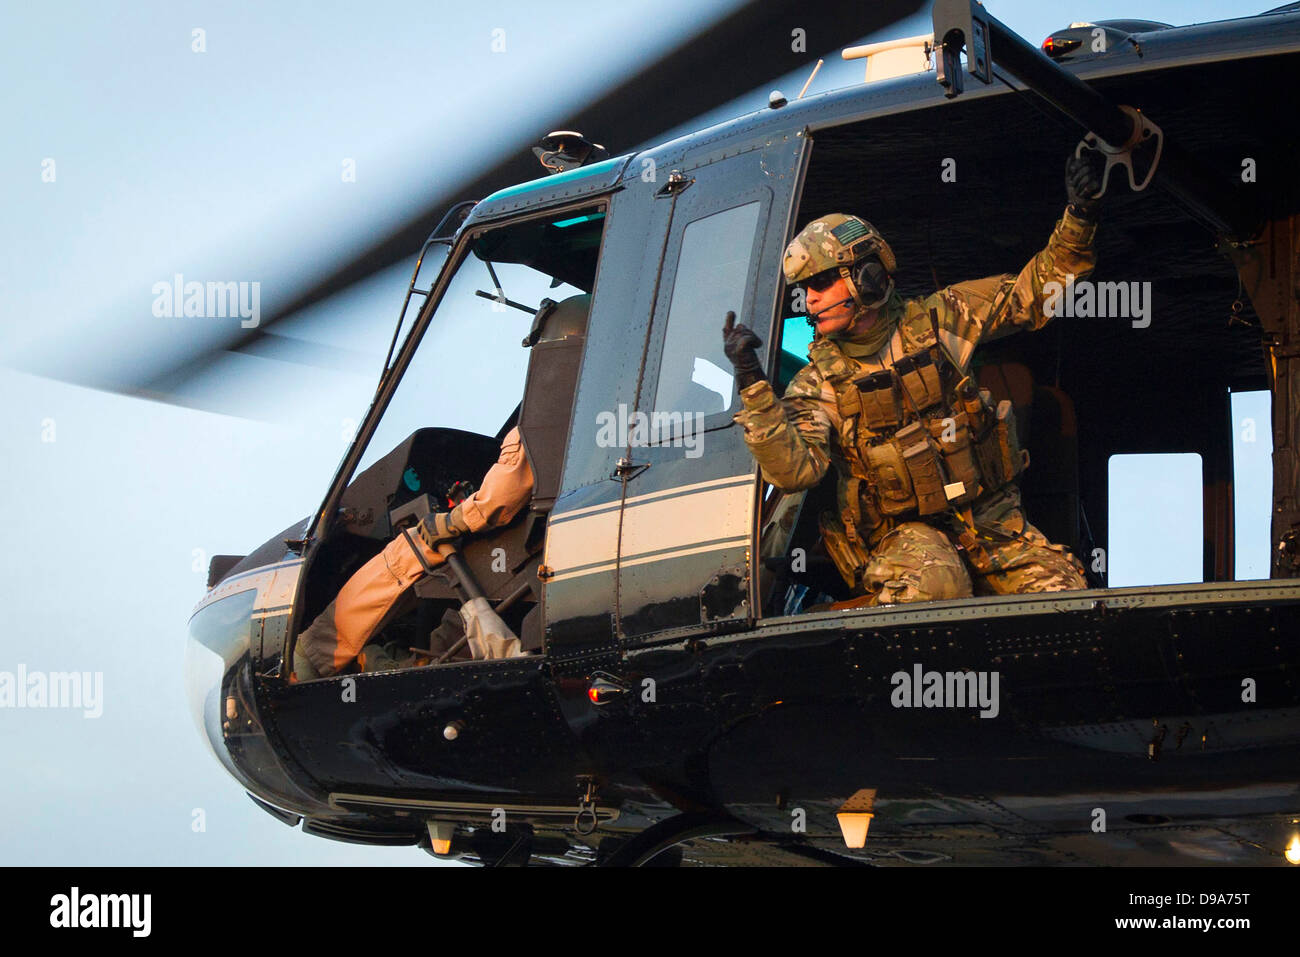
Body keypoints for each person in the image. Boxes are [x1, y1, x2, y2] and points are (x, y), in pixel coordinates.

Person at [723, 153, 1104, 605]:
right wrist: (752, 384)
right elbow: (794, 471)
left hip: (991, 521)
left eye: (821, 283)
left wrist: (1080, 217)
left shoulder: (943, 319)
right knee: (936, 586)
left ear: (866, 277)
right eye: (805, 289)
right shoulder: (818, 383)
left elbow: (1033, 294)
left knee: (1066, 598)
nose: (809, 299)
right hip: (903, 538)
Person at [292, 293, 589, 679]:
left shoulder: (543, 424)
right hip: (563, 547)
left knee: (411, 547)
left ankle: (313, 656)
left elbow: (497, 501)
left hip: (539, 547)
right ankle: (432, 656)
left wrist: (447, 522)